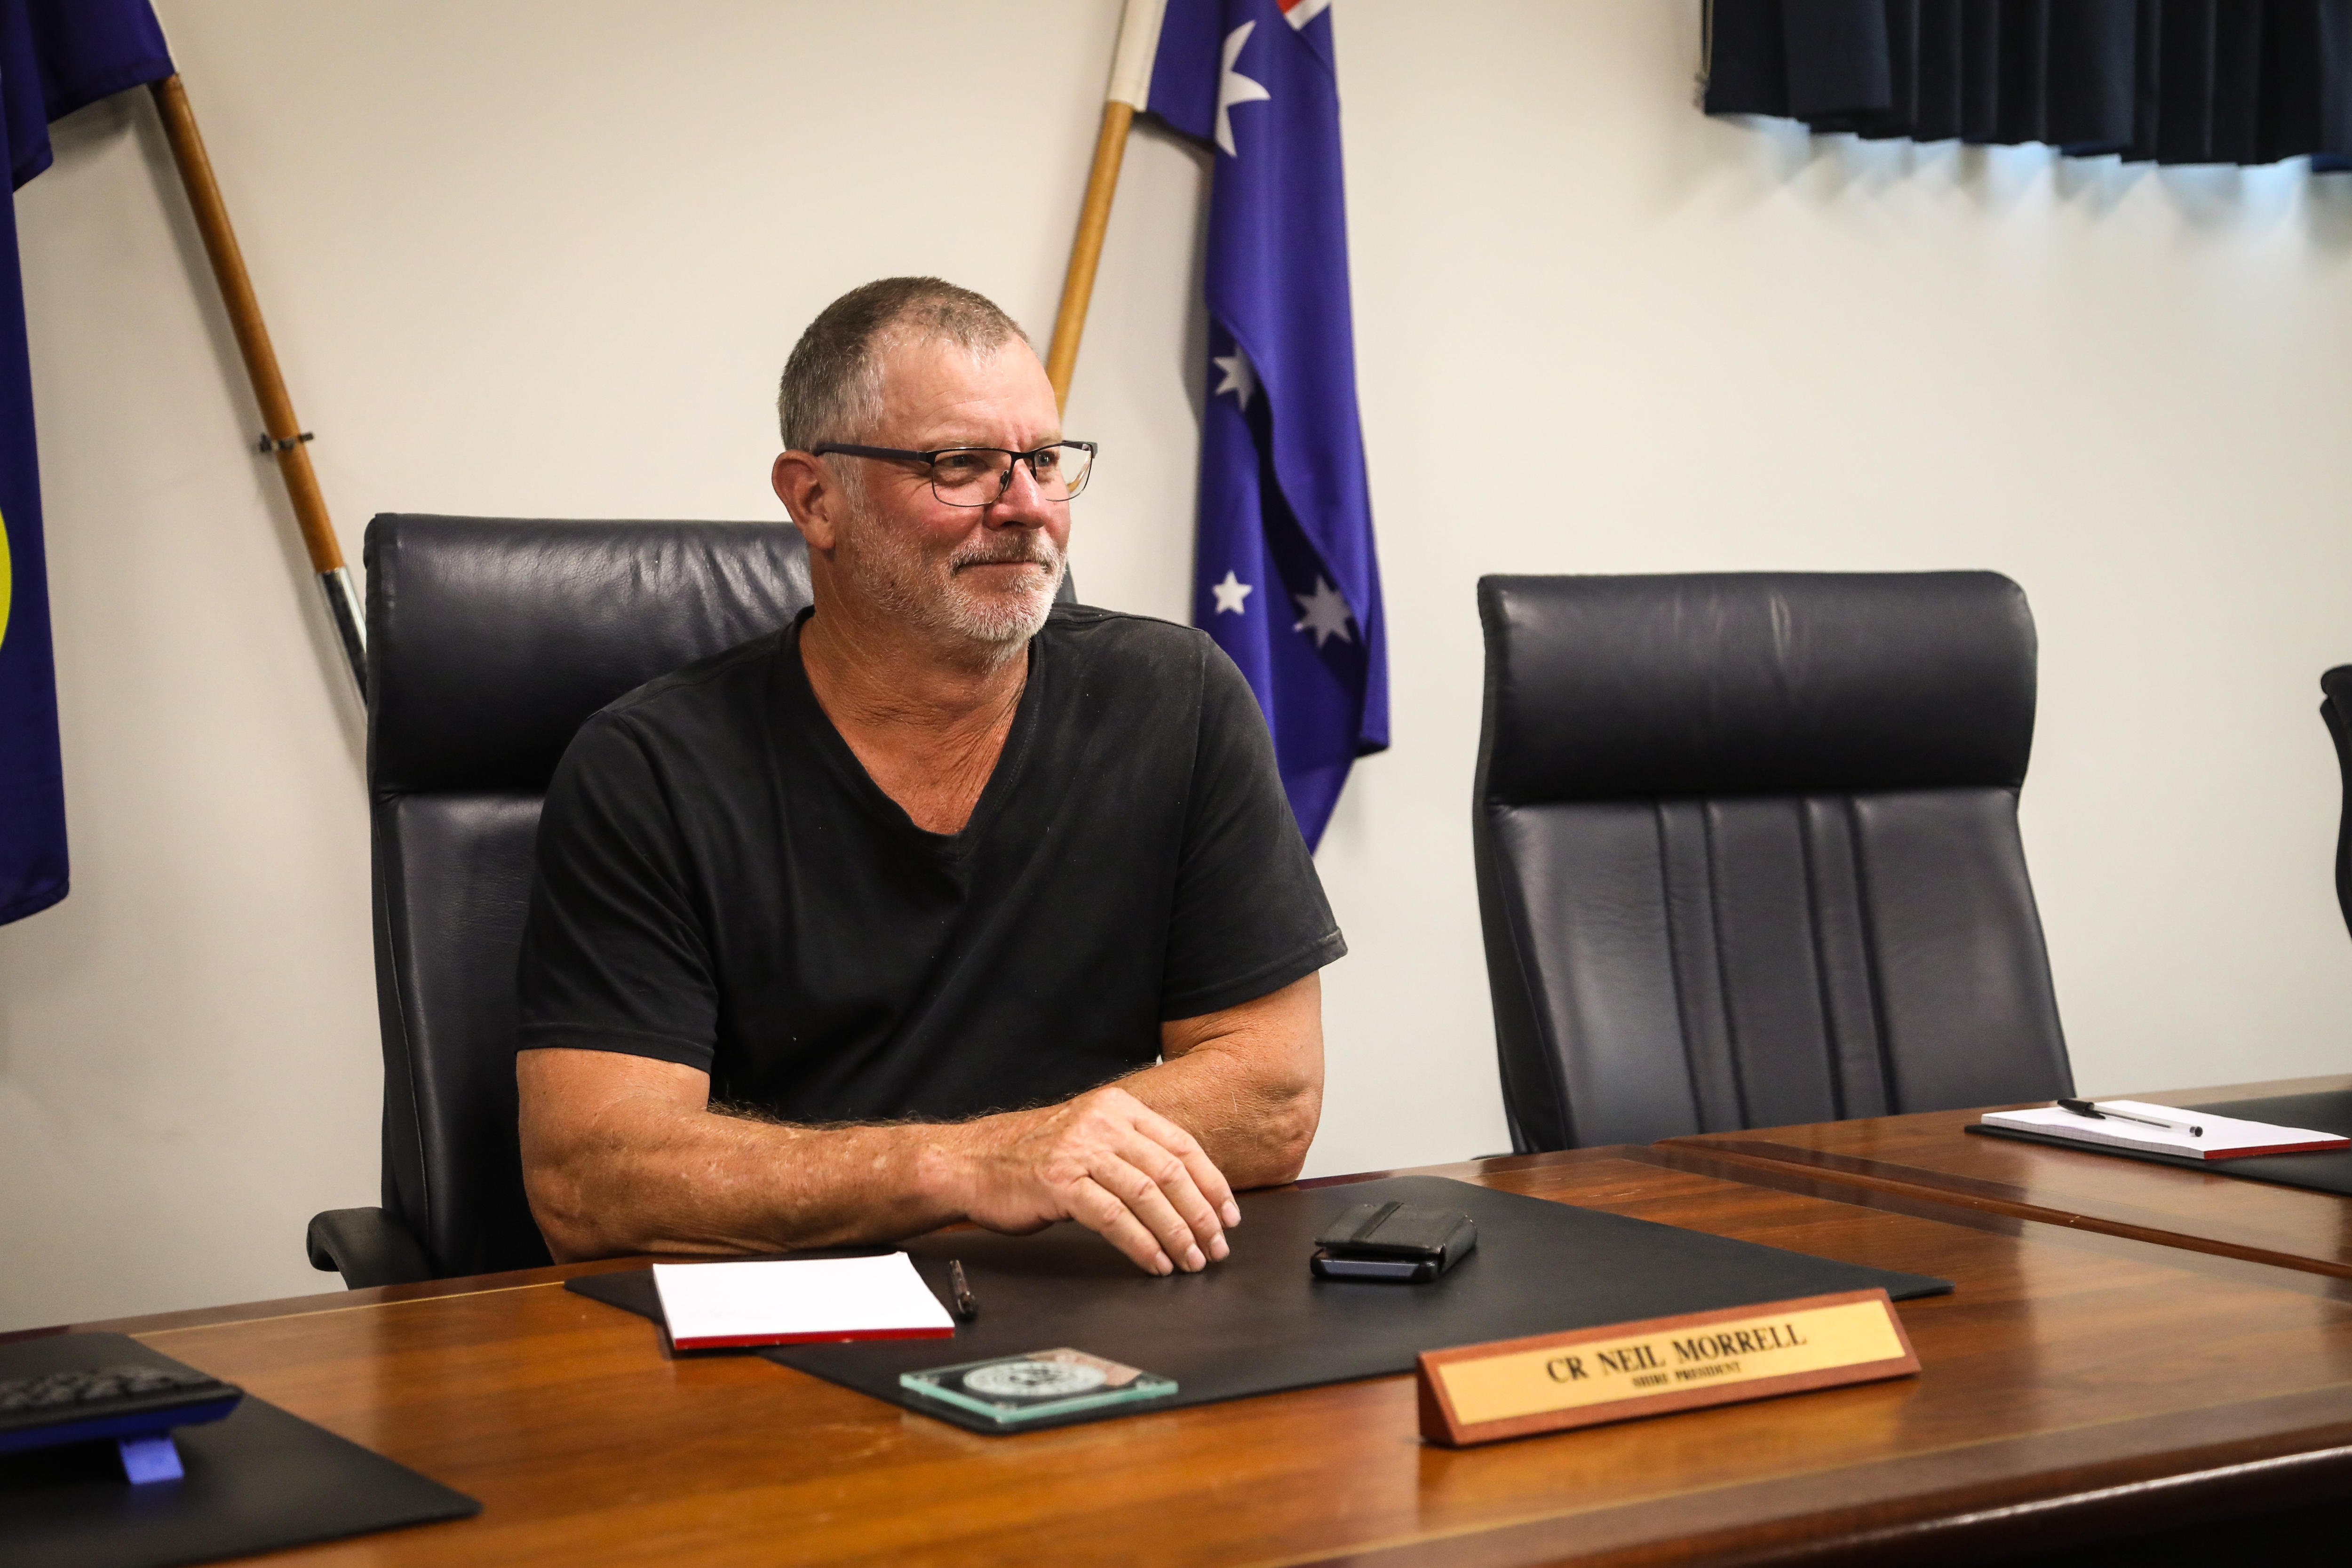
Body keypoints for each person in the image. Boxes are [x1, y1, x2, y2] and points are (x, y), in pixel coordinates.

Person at [513, 277, 1344, 1277]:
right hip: (787, 1327)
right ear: (815, 499)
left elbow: (1270, 1099)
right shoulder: (647, 767)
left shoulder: (1178, 698)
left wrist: (1044, 1167)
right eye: (961, 465)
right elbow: (592, 1181)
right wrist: (971, 1166)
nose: (1029, 507)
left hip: (1093, 1294)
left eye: (1043, 459)